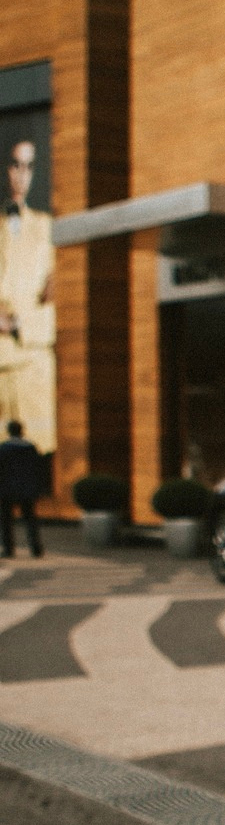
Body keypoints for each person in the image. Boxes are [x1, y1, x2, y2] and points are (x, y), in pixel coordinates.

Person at [0, 139, 58, 456]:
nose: (21, 175)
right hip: (1, 359)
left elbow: (54, 290)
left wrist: (22, 322)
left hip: (33, 356)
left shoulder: (48, 228)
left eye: (29, 167)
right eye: (15, 165)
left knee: (37, 448)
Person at [0, 418, 44, 557]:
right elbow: (39, 469)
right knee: (30, 519)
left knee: (6, 520)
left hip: (7, 488)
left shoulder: (4, 448)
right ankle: (36, 547)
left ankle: (9, 549)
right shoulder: (30, 447)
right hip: (27, 488)